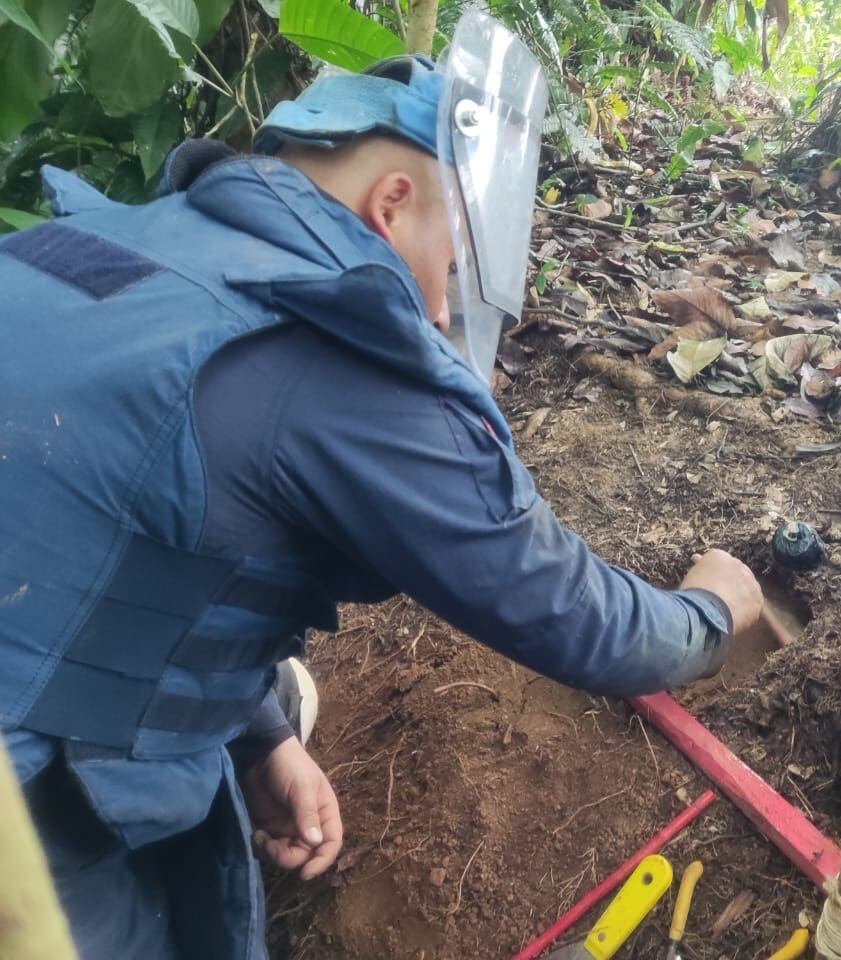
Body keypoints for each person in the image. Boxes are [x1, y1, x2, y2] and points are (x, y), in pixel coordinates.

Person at [0, 13, 762, 958]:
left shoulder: (109, 248)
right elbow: (574, 616)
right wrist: (713, 613)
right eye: (450, 264)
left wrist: (260, 739)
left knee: (281, 691)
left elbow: (114, 543)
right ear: (392, 202)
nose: (440, 307)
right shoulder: (338, 354)